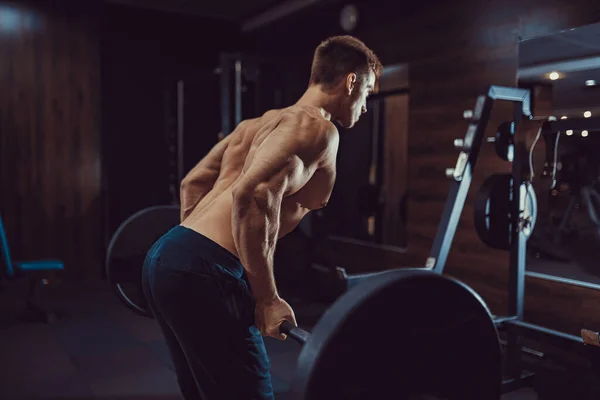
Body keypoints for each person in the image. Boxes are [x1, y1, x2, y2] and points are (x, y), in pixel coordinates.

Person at [141, 35, 382, 400]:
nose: (365, 107)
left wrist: (186, 257)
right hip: (207, 269)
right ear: (351, 82)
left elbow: (193, 183)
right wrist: (267, 298)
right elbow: (253, 195)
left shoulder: (254, 126)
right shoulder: (318, 129)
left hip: (166, 254)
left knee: (203, 392)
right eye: (367, 92)